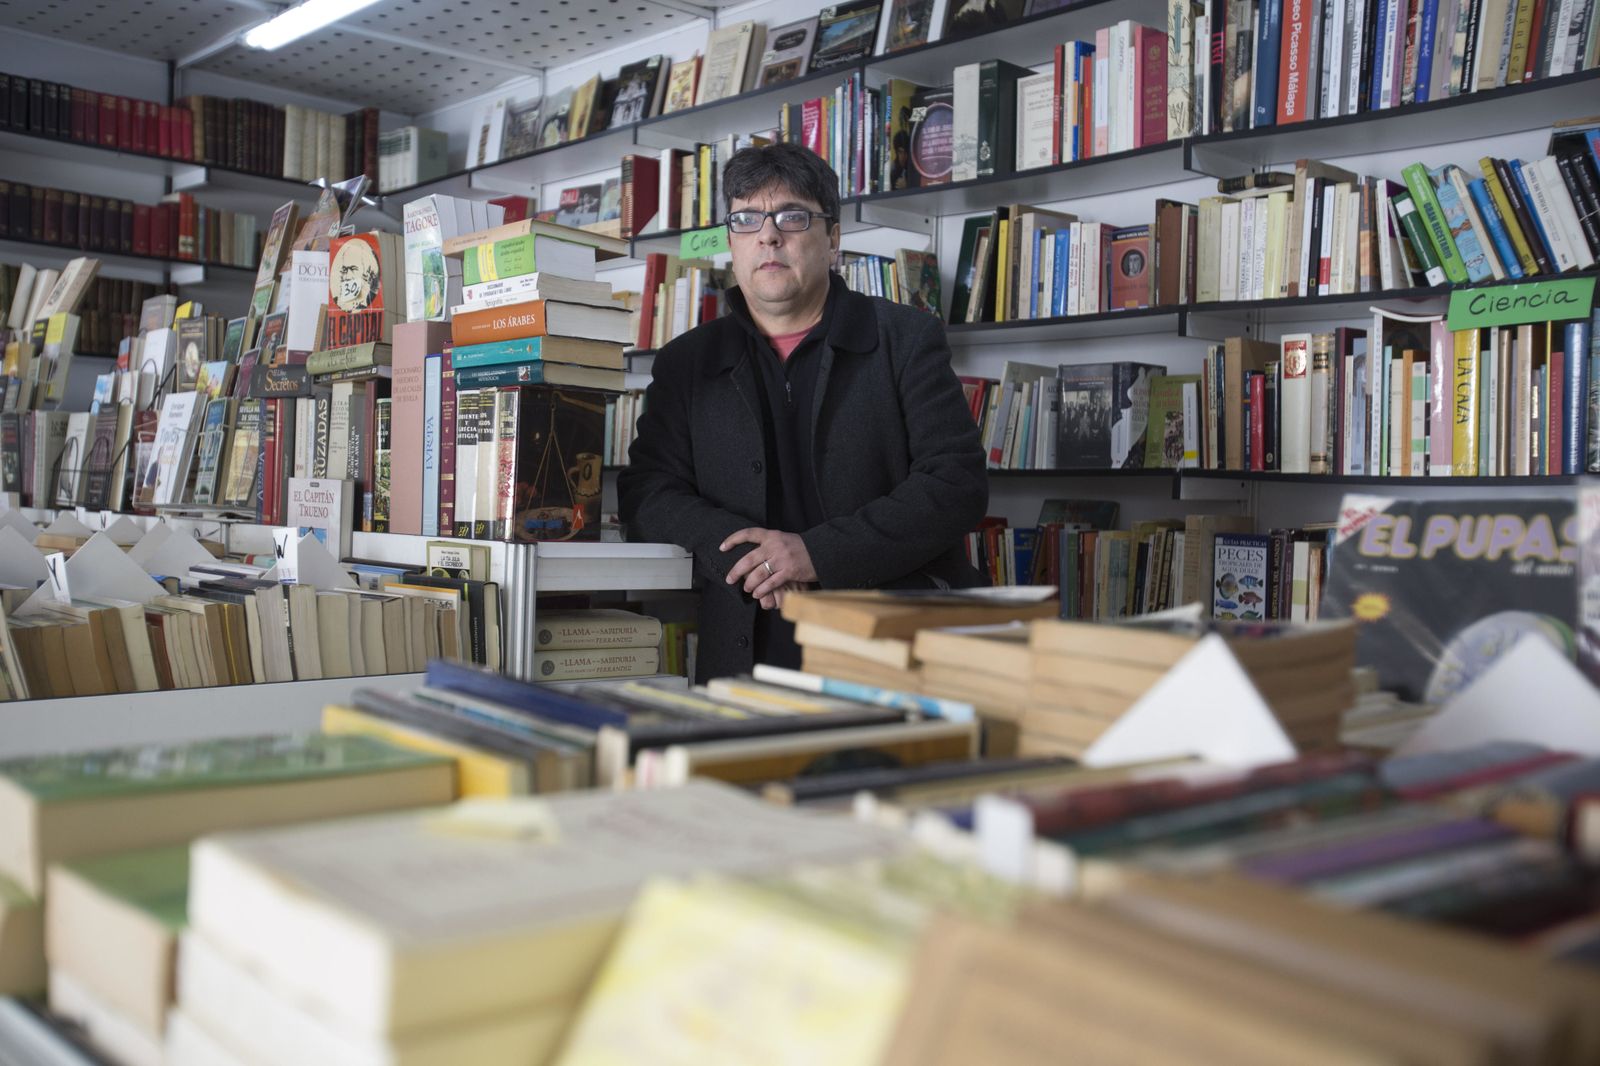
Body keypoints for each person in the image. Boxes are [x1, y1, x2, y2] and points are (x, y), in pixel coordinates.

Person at [619, 142, 988, 683]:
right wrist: (748, 557)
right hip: (744, 646)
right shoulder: (687, 362)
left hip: (889, 650)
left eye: (792, 217)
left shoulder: (904, 340)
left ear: (833, 239)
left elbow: (956, 483)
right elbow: (647, 492)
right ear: (731, 243)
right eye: (746, 220)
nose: (768, 235)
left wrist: (815, 553)